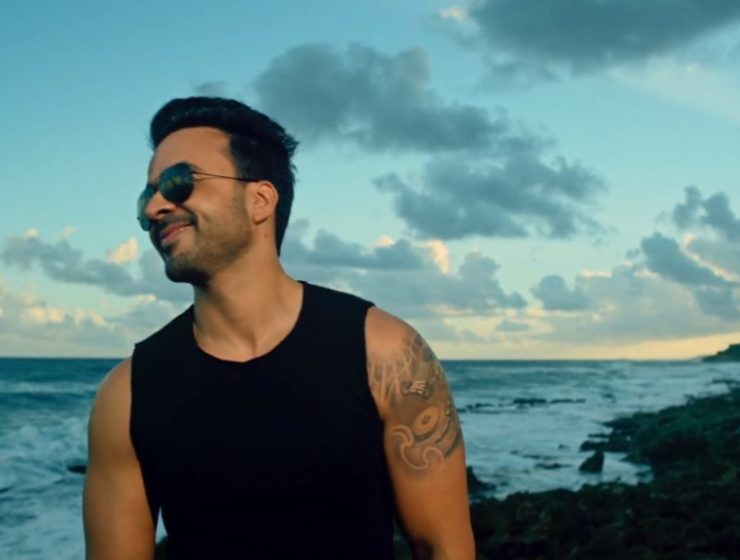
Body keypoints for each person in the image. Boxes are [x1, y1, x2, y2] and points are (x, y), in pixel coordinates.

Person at [83, 97, 475, 559]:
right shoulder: (127, 395)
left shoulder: (385, 353)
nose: (154, 207)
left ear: (260, 200)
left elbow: (444, 546)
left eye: (177, 182)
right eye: (146, 195)